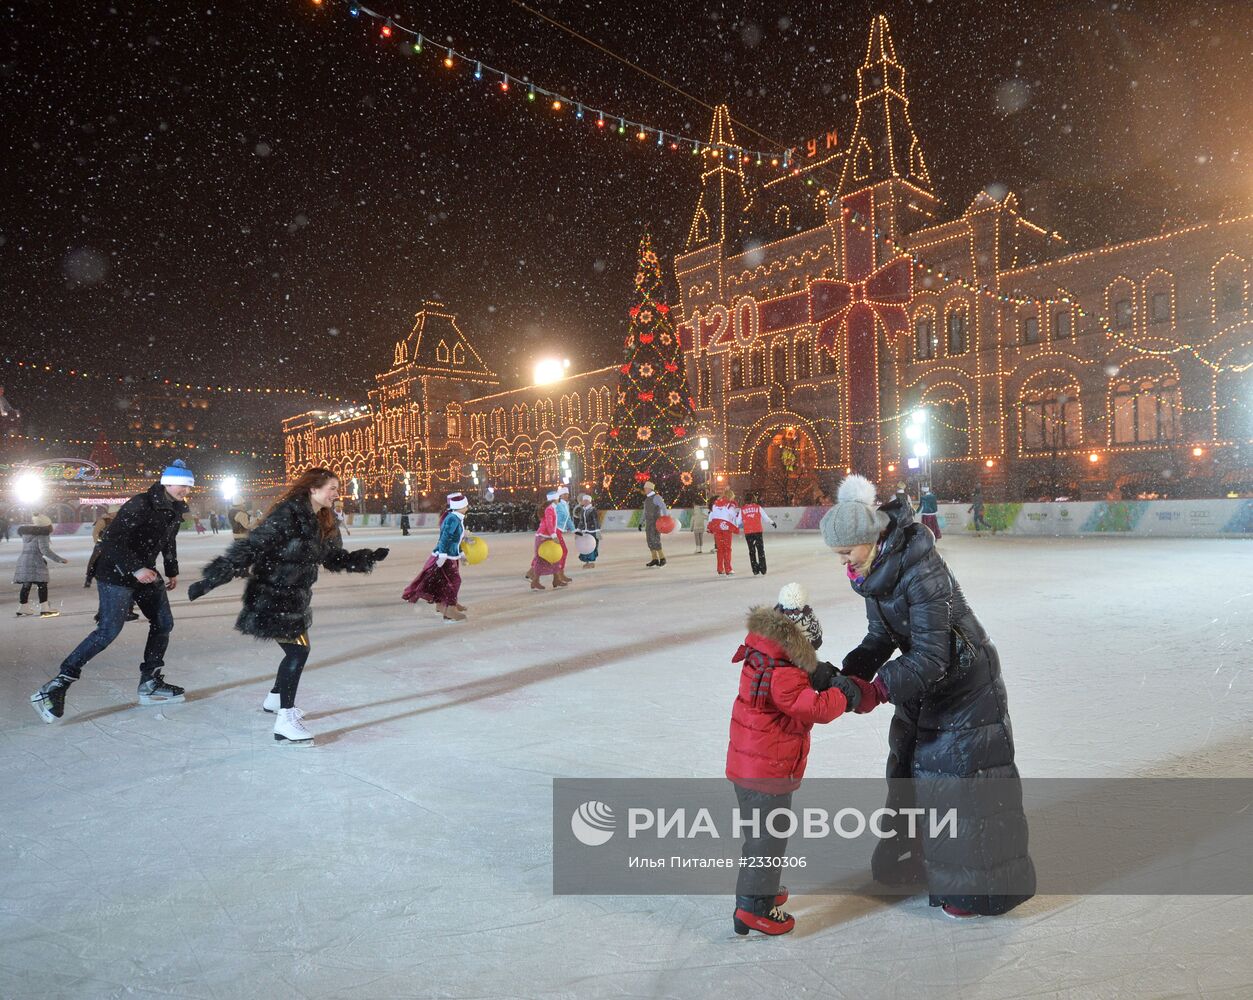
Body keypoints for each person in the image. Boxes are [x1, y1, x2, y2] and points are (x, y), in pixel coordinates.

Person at [821, 473, 1034, 918]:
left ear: (869, 538)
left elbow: (934, 655)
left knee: (959, 787)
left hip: (963, 682)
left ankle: (976, 889)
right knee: (909, 774)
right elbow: (880, 637)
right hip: (923, 683)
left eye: (846, 552)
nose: (843, 562)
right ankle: (916, 862)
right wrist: (845, 674)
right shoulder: (872, 573)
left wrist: (876, 690)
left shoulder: (921, 569)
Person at [188, 468, 388, 745]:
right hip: (273, 594)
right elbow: (254, 546)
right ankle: (285, 719)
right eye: (332, 487)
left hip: (296, 595)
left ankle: (274, 699)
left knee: (298, 649)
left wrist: (365, 558)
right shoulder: (288, 513)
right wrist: (213, 578)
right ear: (313, 489)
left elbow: (332, 558)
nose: (336, 493)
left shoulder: (324, 519)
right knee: (298, 651)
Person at [725, 603, 870, 936]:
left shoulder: (765, 655)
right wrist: (842, 694)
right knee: (767, 842)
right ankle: (753, 908)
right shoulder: (784, 673)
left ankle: (761, 887)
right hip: (767, 772)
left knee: (763, 838)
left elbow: (797, 679)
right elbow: (814, 708)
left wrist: (818, 671)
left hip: (750, 764)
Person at [30, 459, 194, 723]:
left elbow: (168, 540)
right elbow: (111, 541)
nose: (184, 490)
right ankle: (56, 686)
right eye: (180, 485)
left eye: (188, 486)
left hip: (145, 572)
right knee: (108, 630)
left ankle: (150, 682)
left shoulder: (175, 508)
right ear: (167, 481)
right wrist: (136, 568)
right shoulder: (141, 503)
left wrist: (171, 568)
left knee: (163, 623)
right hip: (116, 572)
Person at [402, 492, 469, 621]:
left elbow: (455, 540)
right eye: (465, 505)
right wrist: (443, 555)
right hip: (446, 556)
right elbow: (445, 538)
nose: (467, 507)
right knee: (454, 581)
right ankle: (449, 609)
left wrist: (460, 553)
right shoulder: (452, 519)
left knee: (444, 581)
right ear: (460, 506)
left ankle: (444, 605)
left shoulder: (456, 518)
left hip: (451, 555)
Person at [14, 514, 69, 618]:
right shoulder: (43, 534)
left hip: (24, 560)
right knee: (42, 584)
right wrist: (59, 559)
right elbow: (45, 550)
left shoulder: (27, 533)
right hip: (35, 561)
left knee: (26, 584)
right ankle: (44, 608)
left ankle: (22, 607)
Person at [526, 489, 565, 590]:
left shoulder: (551, 508)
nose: (559, 500)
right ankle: (535, 581)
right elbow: (549, 524)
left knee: (555, 557)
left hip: (547, 536)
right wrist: (554, 536)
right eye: (558, 498)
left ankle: (556, 579)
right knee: (541, 559)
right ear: (554, 499)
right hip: (543, 536)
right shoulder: (549, 509)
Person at [740, 492, 776, 576]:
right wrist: (772, 522)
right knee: (760, 550)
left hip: (748, 532)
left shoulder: (743, 509)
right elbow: (765, 518)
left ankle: (755, 569)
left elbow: (738, 521)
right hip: (757, 531)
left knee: (751, 551)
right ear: (754, 499)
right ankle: (763, 569)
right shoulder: (758, 507)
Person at [708, 489, 742, 575]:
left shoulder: (716, 504)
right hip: (726, 527)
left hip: (717, 527)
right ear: (731, 496)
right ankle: (728, 569)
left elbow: (711, 515)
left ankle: (720, 568)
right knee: (727, 548)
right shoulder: (730, 504)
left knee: (720, 549)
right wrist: (736, 523)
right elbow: (733, 515)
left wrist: (711, 526)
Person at [641, 480, 668, 567]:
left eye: (645, 488)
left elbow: (663, 506)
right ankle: (654, 559)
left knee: (655, 540)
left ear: (650, 488)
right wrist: (641, 522)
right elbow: (645, 512)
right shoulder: (647, 499)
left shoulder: (656, 497)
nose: (644, 489)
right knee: (649, 540)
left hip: (656, 522)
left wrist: (665, 517)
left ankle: (662, 558)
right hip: (649, 523)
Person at [553, 485, 575, 585]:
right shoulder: (558, 505)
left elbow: (568, 518)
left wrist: (574, 530)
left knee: (561, 552)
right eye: (564, 494)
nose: (567, 496)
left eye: (567, 494)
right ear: (560, 495)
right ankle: (558, 575)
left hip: (559, 530)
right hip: (555, 530)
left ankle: (560, 574)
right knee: (562, 552)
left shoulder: (566, 505)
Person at [572, 493, 600, 568]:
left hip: (592, 531)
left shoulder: (593, 510)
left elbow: (596, 521)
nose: (585, 502)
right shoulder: (583, 510)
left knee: (591, 546)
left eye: (586, 501)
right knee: (585, 547)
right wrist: (578, 531)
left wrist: (597, 531)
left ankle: (590, 561)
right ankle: (587, 561)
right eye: (584, 501)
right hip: (585, 532)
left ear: (589, 501)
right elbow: (581, 522)